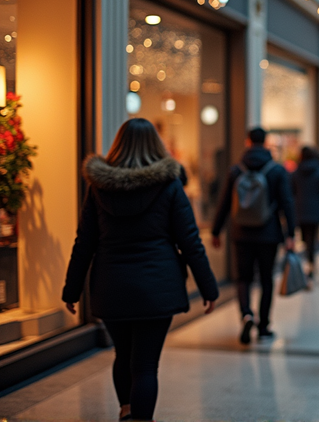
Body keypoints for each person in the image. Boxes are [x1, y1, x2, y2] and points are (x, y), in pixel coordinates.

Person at [63, 119, 218, 422]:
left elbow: (85, 242)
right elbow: (190, 242)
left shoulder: (98, 188)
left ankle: (126, 412)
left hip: (111, 284)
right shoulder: (170, 185)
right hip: (156, 287)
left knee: (123, 354)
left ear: (118, 146)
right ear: (156, 145)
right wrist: (209, 288)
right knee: (145, 365)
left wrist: (72, 289)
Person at [212, 127, 296, 344]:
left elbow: (223, 203)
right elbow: (287, 203)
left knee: (243, 278)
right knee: (266, 279)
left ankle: (246, 315)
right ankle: (264, 325)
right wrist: (291, 234)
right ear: (266, 142)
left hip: (241, 233)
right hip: (269, 233)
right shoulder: (276, 170)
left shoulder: (236, 170)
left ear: (247, 142)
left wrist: (216, 230)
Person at [291, 146, 319, 278]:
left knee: (306, 239)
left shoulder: (296, 173)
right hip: (316, 211)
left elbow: (292, 192)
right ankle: (311, 264)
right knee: (313, 238)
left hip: (300, 210)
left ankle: (309, 264)